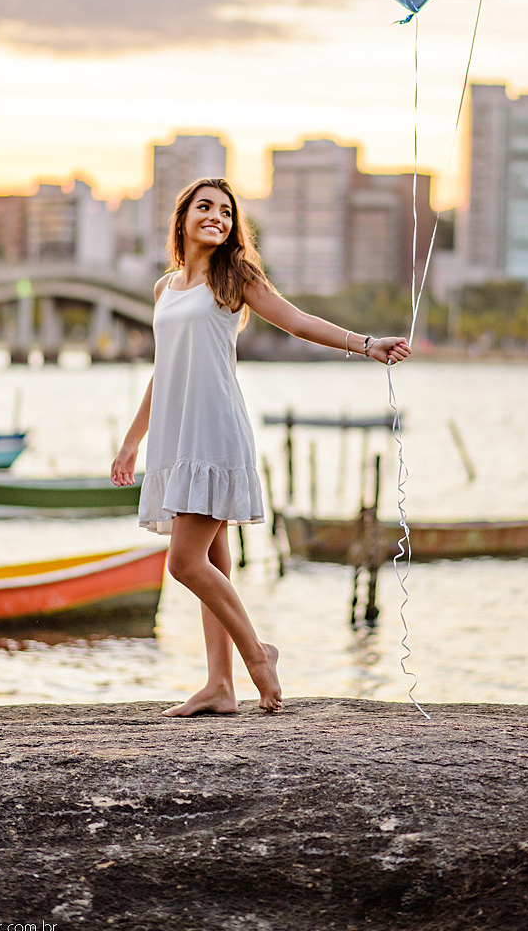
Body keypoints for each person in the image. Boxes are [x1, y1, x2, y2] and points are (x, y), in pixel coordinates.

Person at [110, 177, 411, 716]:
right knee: (213, 562)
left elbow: (297, 322)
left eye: (226, 212)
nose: (217, 217)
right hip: (177, 434)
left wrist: (367, 344)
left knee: (184, 562)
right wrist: (133, 441)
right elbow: (164, 369)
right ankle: (219, 686)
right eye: (205, 207)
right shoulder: (164, 289)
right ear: (182, 219)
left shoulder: (235, 277)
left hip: (214, 428)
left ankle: (257, 654)